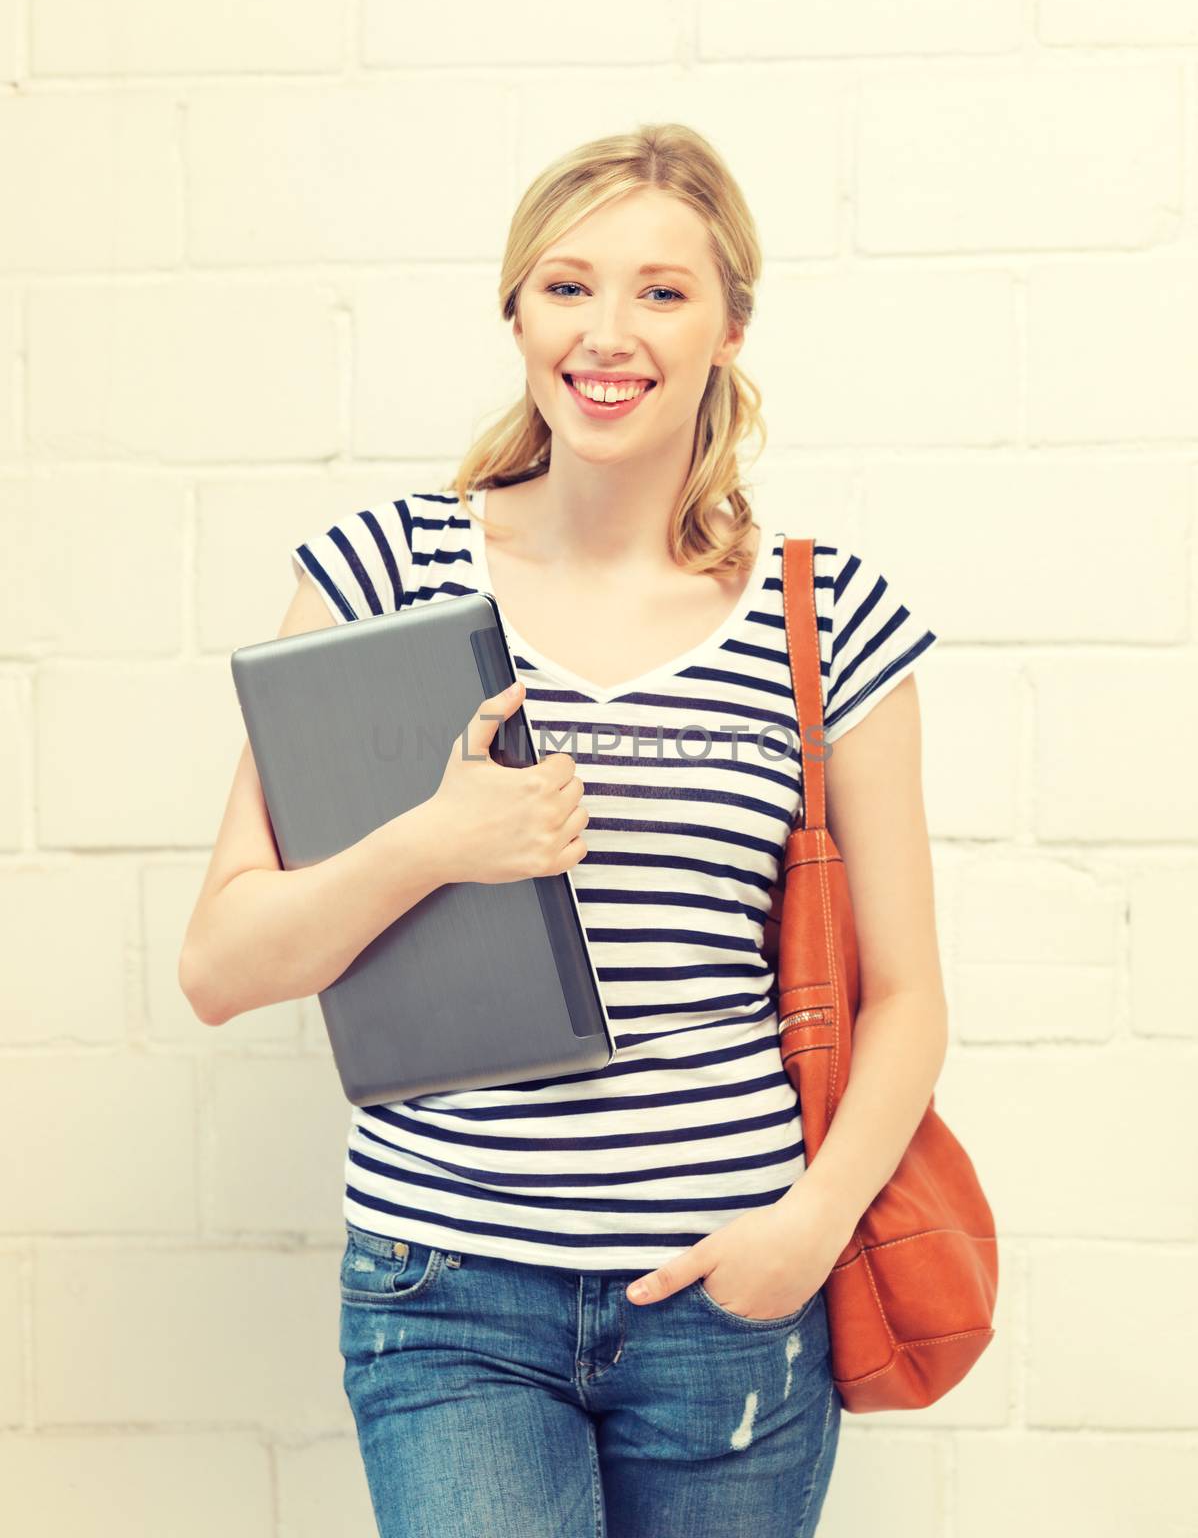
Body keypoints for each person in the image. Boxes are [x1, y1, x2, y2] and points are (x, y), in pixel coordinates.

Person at [179, 123, 948, 1538]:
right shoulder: (381, 575)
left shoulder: (822, 616)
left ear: (729, 326)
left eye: (662, 291)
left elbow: (904, 991)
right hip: (448, 1291)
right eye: (567, 286)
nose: (609, 331)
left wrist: (809, 1227)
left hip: (731, 1300)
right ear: (517, 314)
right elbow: (222, 963)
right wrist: (436, 840)